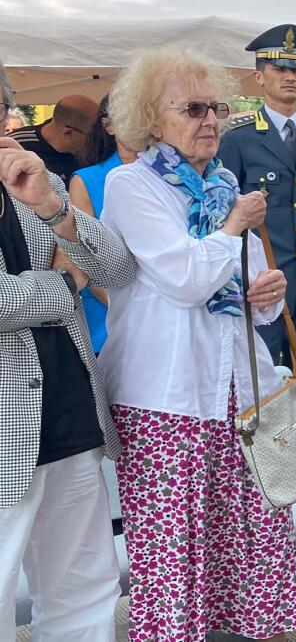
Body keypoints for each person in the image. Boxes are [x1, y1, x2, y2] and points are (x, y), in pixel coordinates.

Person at [100, 46, 296, 641]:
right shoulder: (131, 185)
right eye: (193, 109)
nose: (210, 120)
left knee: (247, 533)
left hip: (238, 390)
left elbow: (253, 290)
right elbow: (186, 279)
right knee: (172, 549)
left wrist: (271, 293)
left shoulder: (226, 186)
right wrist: (232, 226)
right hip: (166, 396)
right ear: (152, 121)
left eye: (217, 108)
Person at [0, 60, 136, 642]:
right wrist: (68, 284)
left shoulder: (34, 179)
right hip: (7, 430)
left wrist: (53, 209)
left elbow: (118, 266)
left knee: (85, 589)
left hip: (70, 414)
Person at [219, 24, 296, 422]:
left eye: (295, 70)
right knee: (262, 379)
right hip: (263, 278)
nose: (289, 77)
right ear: (259, 77)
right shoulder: (238, 137)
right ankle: (266, 468)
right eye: (278, 68)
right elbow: (227, 211)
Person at [68, 94, 138, 353]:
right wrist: (133, 311)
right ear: (109, 126)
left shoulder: (172, 177)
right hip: (109, 316)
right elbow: (85, 261)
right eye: (128, 116)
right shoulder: (87, 180)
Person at [9, 94, 99, 180]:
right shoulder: (17, 146)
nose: (98, 141)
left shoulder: (94, 153)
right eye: (93, 136)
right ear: (68, 133)